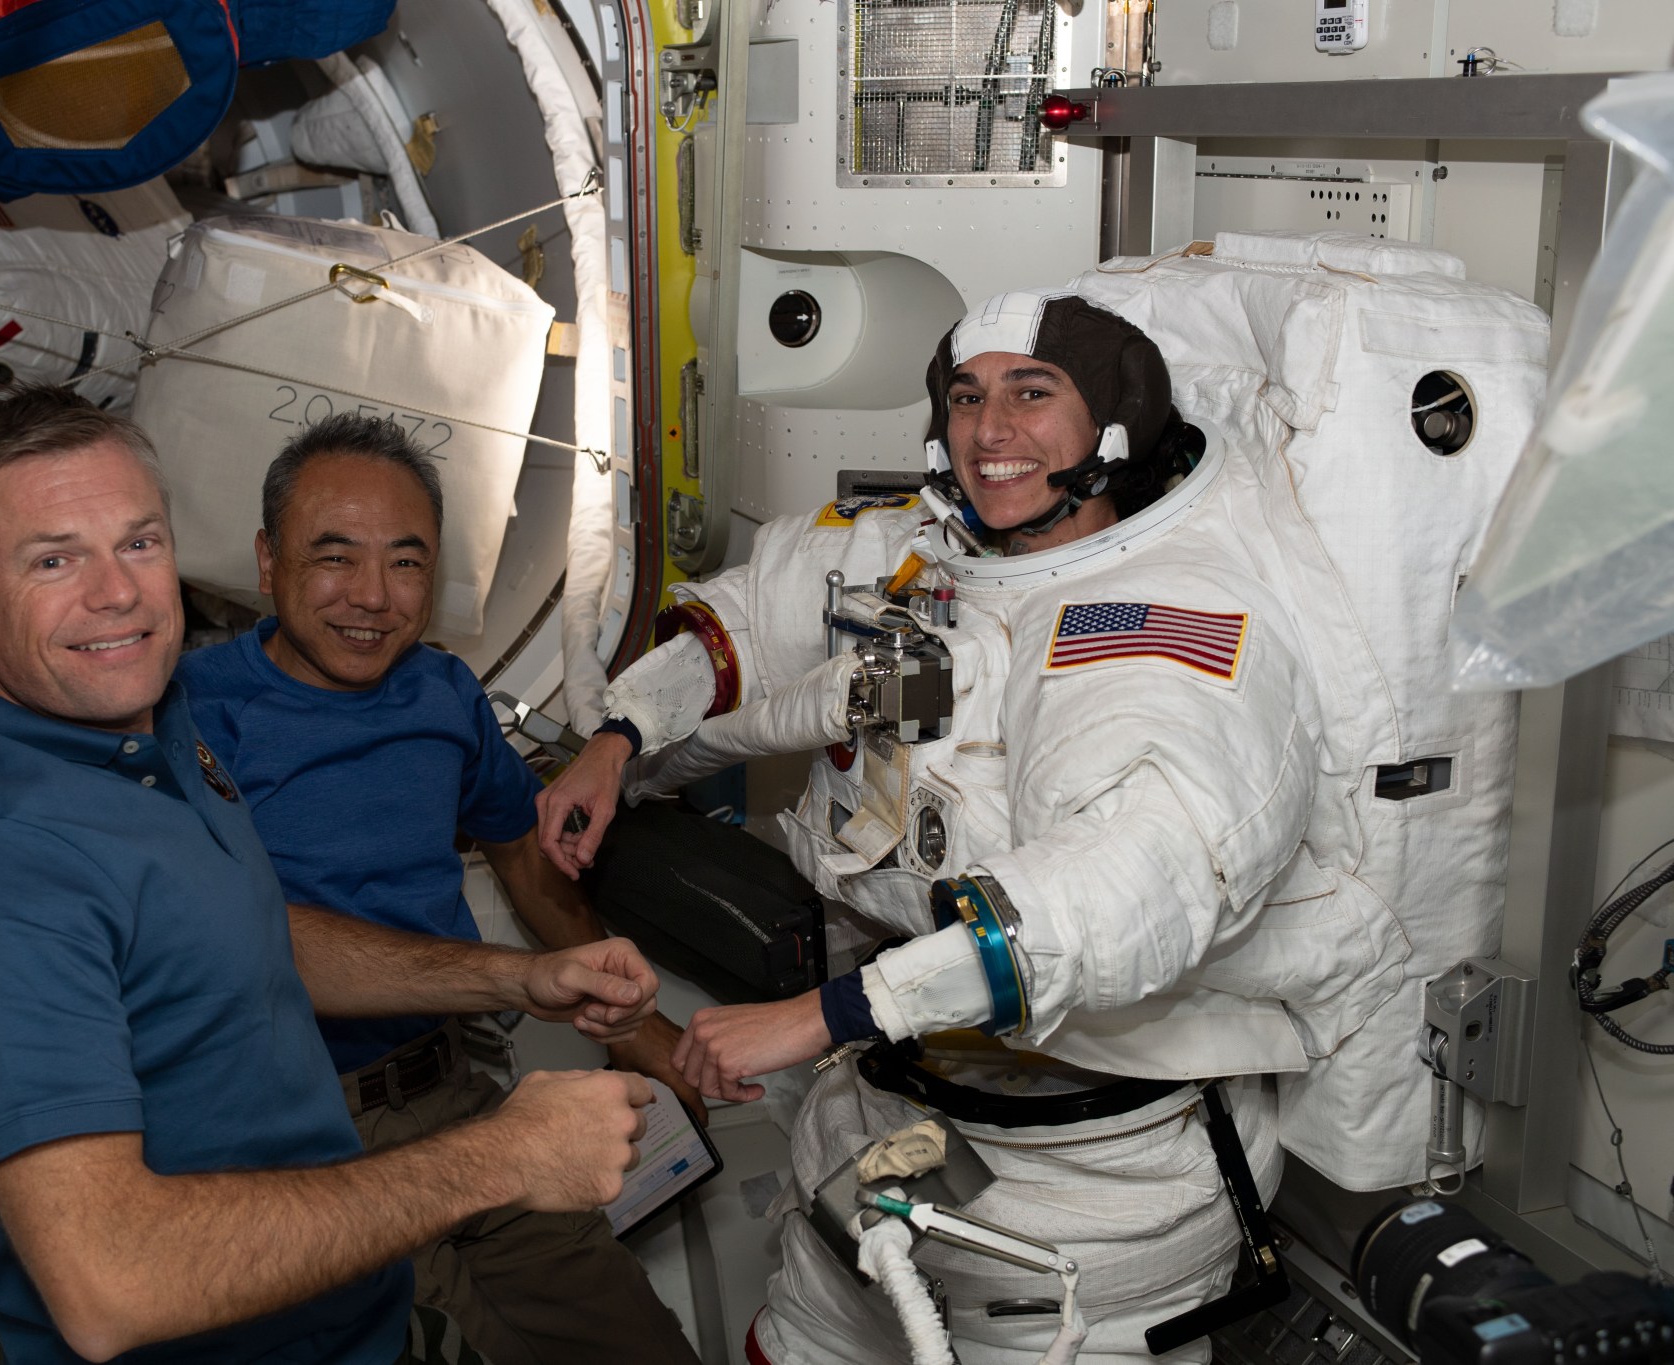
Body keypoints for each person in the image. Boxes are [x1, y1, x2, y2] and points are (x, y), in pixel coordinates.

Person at [532, 291, 1408, 1363]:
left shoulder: (1164, 624)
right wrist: (618, 738)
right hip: (883, 1114)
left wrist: (825, 1014)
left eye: (1032, 396)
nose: (990, 432)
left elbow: (1122, 891)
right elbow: (750, 623)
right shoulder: (913, 550)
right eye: (965, 396)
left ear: (1114, 425)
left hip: (1091, 1183)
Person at [0, 386, 663, 1365]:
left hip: (338, 1310)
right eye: (54, 558)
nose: (116, 592)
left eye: (139, 543)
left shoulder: (141, 733)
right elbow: (110, 1284)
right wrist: (500, 1158)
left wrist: (511, 978)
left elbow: (244, 936)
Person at [173, 412, 701, 1365]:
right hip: (298, 1136)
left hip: (458, 1092)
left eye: (407, 563)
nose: (372, 598)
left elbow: (523, 857)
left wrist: (641, 1031)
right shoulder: (194, 712)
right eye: (335, 557)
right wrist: (512, 978)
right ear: (265, 559)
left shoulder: (442, 692)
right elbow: (248, 940)